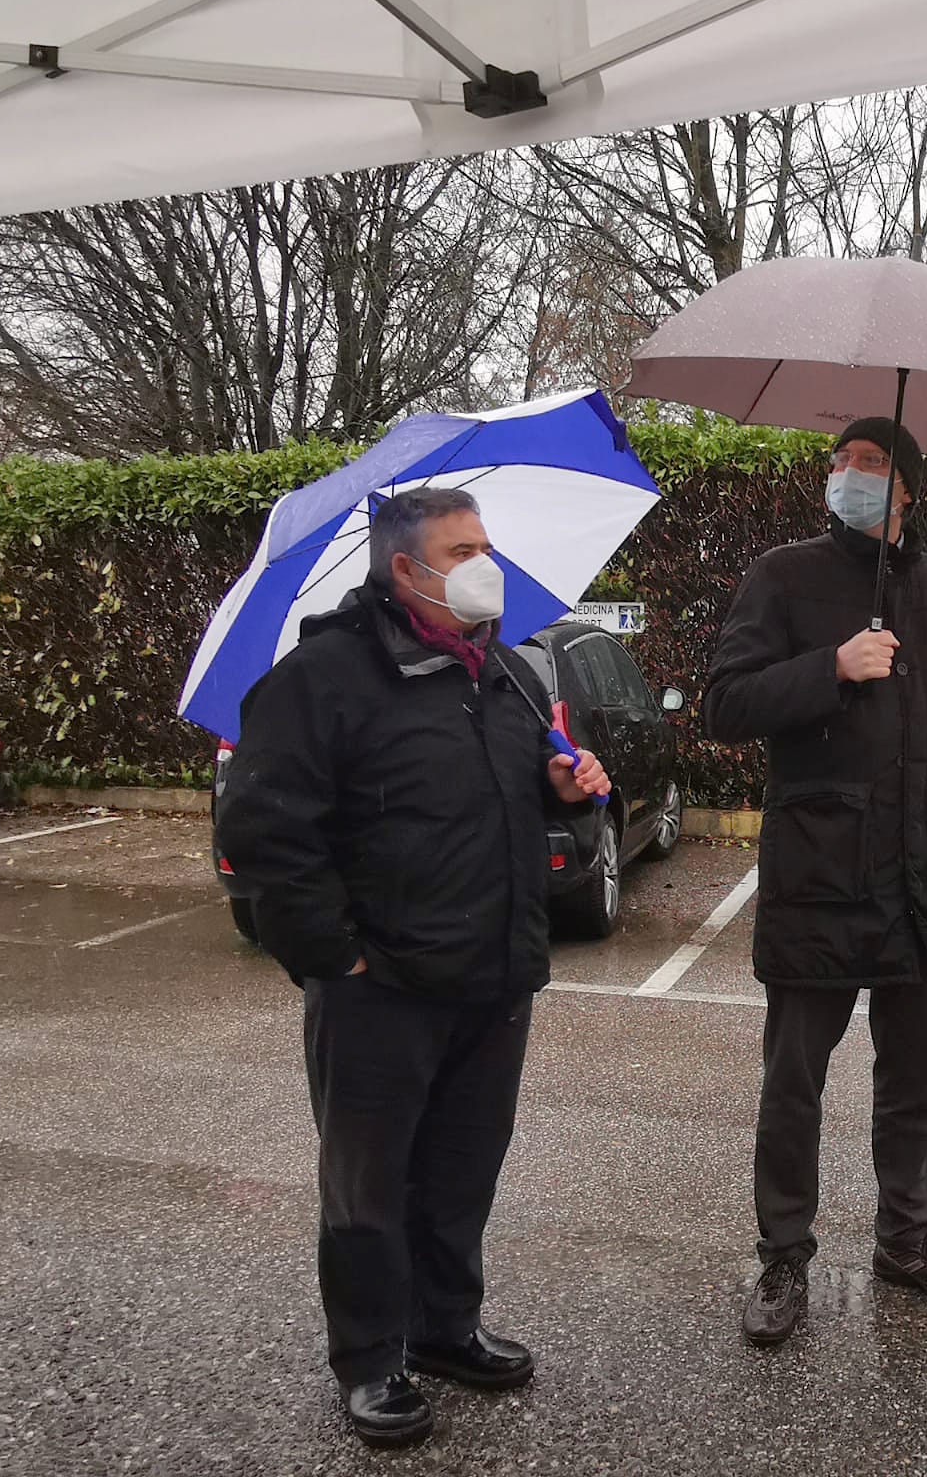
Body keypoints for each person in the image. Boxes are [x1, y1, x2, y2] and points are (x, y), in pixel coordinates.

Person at [216, 487, 609, 1447]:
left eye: (486, 543)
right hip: (379, 990)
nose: (486, 563)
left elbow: (514, 802)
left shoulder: (505, 672)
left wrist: (567, 789)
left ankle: (444, 1328)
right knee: (370, 1188)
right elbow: (264, 831)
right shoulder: (322, 678)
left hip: (495, 976)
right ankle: (370, 1360)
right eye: (462, 549)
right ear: (405, 569)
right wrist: (336, 958)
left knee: (462, 1172)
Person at [703, 417, 927, 1347]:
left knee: (914, 1083)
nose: (849, 474)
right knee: (794, 1084)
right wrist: (830, 667)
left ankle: (906, 1240)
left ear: (909, 486)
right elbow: (725, 703)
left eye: (871, 463)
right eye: (839, 462)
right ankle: (784, 1255)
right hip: (823, 875)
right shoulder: (783, 576)